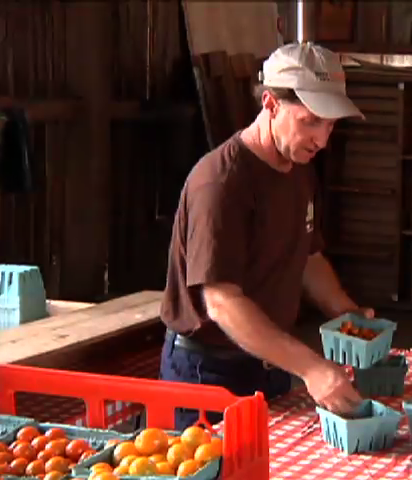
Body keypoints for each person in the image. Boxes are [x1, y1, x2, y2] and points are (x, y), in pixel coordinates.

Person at [158, 42, 369, 430]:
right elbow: (221, 301)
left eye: (331, 124)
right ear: (270, 104)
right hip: (208, 370)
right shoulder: (221, 182)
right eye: (310, 121)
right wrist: (311, 367)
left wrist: (346, 312)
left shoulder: (299, 167)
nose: (322, 140)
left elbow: (307, 256)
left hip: (270, 360)